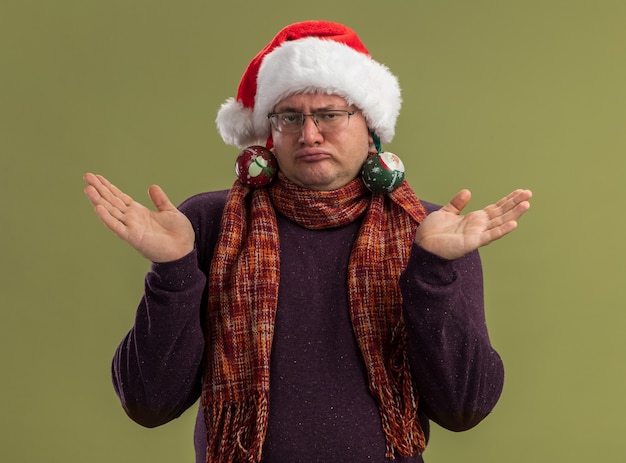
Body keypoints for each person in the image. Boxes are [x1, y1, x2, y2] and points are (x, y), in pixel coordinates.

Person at [84, 20, 532, 463]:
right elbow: (148, 403)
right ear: (268, 133)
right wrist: (173, 272)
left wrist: (433, 270)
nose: (310, 134)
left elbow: (463, 408)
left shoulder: (432, 231)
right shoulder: (206, 222)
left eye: (330, 115)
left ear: (370, 125)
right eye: (290, 117)